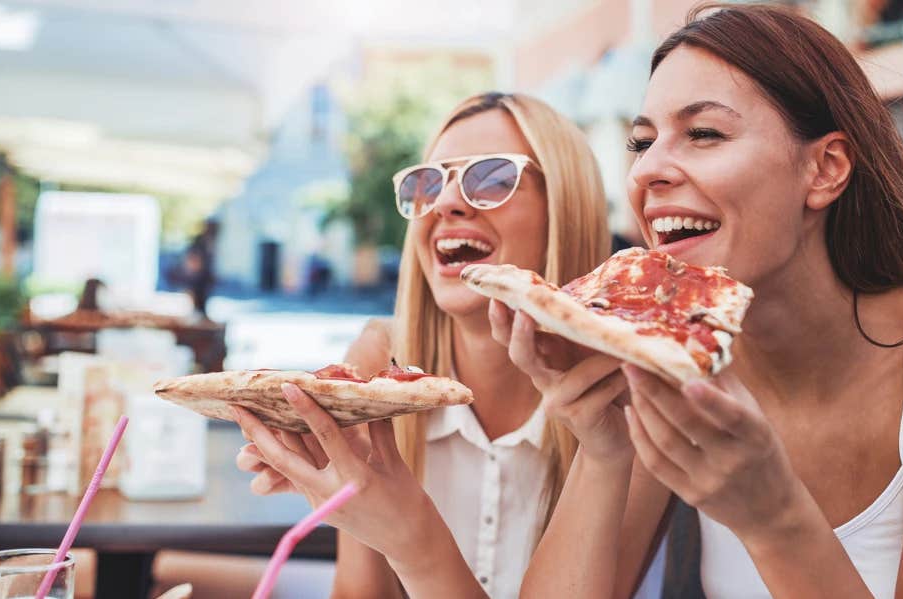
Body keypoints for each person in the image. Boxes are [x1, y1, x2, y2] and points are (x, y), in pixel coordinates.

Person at [497, 5, 903, 598]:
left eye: (704, 133)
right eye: (642, 141)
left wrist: (774, 517)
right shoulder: (671, 359)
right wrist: (602, 449)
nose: (648, 170)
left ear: (825, 169)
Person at [231, 92, 627, 598]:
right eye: (427, 184)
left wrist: (413, 541)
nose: (445, 204)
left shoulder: (626, 399)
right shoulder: (375, 366)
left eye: (493, 178)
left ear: (566, 209)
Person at [183, 219, 219, 318]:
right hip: (197, 276)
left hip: (203, 277)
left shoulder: (209, 241)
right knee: (196, 299)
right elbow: (193, 258)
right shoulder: (199, 241)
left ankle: (201, 315)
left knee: (203, 298)